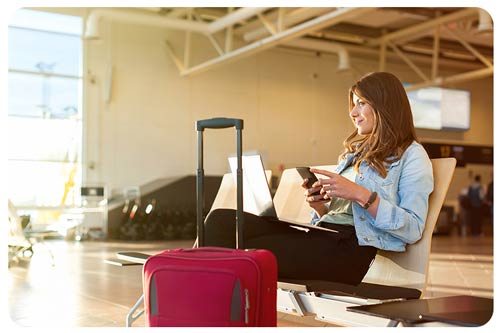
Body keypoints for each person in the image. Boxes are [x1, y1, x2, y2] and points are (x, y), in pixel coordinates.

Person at [204, 72, 434, 286]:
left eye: (361, 103)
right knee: (220, 221)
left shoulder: (412, 155)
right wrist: (320, 207)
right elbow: (339, 216)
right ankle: (214, 308)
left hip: (349, 252)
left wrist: (359, 194)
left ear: (385, 105)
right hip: (324, 237)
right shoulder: (356, 154)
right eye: (353, 104)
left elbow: (412, 229)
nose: (353, 113)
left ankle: (210, 312)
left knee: (246, 253)